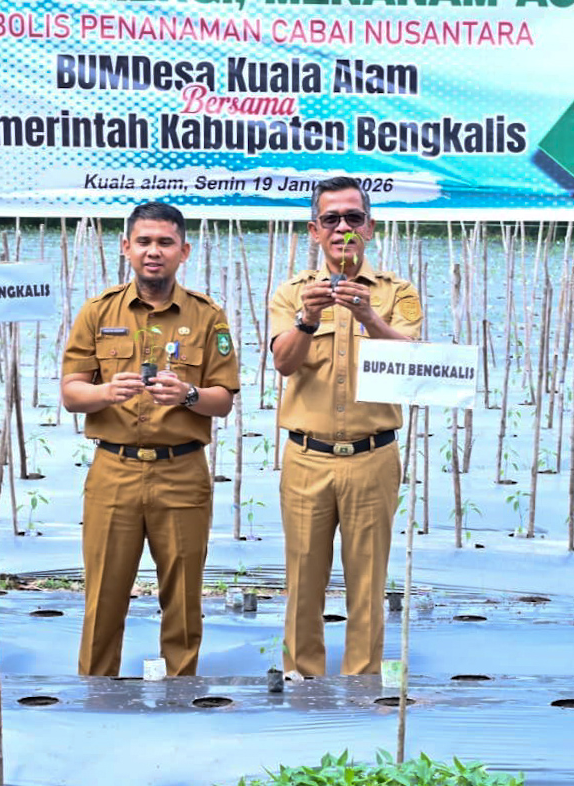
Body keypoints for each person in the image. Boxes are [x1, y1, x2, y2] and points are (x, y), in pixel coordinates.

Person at [62, 202, 240, 677]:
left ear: (184, 251)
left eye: (165, 242)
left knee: (182, 598)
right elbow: (71, 392)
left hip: (181, 471)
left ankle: (180, 691)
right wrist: (104, 392)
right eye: (143, 242)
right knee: (103, 595)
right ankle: (96, 691)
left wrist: (188, 395)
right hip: (114, 470)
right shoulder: (98, 311)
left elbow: (223, 399)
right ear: (126, 247)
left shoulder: (207, 315)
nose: (153, 252)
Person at [270, 176, 424, 676]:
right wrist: (307, 319)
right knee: (302, 581)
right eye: (331, 219)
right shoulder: (292, 292)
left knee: (368, 582)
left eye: (353, 218)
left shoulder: (398, 292)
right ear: (314, 231)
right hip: (306, 457)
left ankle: (363, 682)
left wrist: (370, 318)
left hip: (373, 456)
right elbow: (283, 363)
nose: (343, 229)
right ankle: (301, 681)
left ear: (370, 228)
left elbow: (413, 360)